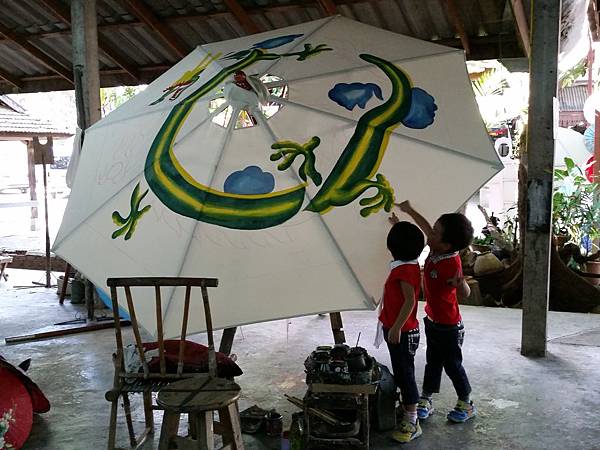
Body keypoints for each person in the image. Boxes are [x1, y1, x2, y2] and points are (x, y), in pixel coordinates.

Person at [396, 200, 476, 424]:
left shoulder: (451, 263)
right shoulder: (436, 248)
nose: (430, 234)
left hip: (449, 326)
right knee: (432, 362)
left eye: (436, 233)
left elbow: (466, 293)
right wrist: (409, 210)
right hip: (432, 320)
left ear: (447, 245)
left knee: (452, 365)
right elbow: (425, 227)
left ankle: (466, 402)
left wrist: (461, 284)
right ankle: (426, 398)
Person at [378, 220, 425, 442]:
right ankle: (408, 409)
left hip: (403, 331)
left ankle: (412, 420)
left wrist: (396, 326)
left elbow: (410, 301)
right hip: (398, 329)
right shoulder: (409, 264)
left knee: (405, 374)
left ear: (392, 247)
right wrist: (398, 225)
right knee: (402, 370)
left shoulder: (404, 270)